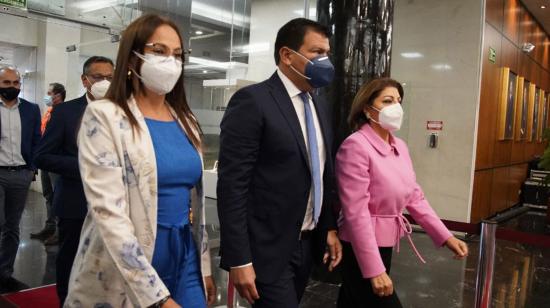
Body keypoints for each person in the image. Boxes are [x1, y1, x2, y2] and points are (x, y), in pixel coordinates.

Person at [64, 14, 216, 308]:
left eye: (177, 55)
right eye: (158, 51)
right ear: (132, 59)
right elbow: (108, 214)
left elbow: (194, 204)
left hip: (183, 253)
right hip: (126, 262)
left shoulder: (185, 120)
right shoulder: (105, 115)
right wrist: (157, 297)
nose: (170, 62)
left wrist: (204, 265)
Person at [217, 18, 342, 308]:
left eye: (327, 53)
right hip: (266, 248)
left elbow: (321, 175)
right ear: (287, 55)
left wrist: (329, 228)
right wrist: (239, 257)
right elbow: (233, 185)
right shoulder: (253, 101)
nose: (325, 60)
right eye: (316, 52)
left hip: (307, 243)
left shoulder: (319, 104)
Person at [335, 78, 469, 307]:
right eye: (387, 101)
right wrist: (374, 269)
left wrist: (445, 236)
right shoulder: (355, 146)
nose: (396, 107)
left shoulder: (400, 147)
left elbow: (414, 196)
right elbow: (356, 212)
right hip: (360, 245)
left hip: (385, 243)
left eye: (398, 100)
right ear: (368, 109)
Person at [34, 56, 113, 305]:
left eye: (110, 77)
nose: (105, 82)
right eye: (99, 77)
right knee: (71, 259)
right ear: (85, 80)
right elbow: (43, 156)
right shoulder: (65, 112)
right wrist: (86, 165)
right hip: (75, 201)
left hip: (114, 204)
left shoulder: (124, 111)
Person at [0, 65, 41, 293]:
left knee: (12, 227)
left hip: (21, 173)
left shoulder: (31, 109)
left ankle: (5, 274)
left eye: (16, 83)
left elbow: (37, 139)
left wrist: (31, 169)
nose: (12, 87)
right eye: (7, 83)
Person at [31, 82, 66, 243]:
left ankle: (60, 232)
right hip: (45, 159)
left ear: (58, 95)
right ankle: (49, 227)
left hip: (56, 160)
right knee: (48, 195)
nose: (47, 96)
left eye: (49, 93)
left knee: (58, 196)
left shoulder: (64, 112)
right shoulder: (49, 112)